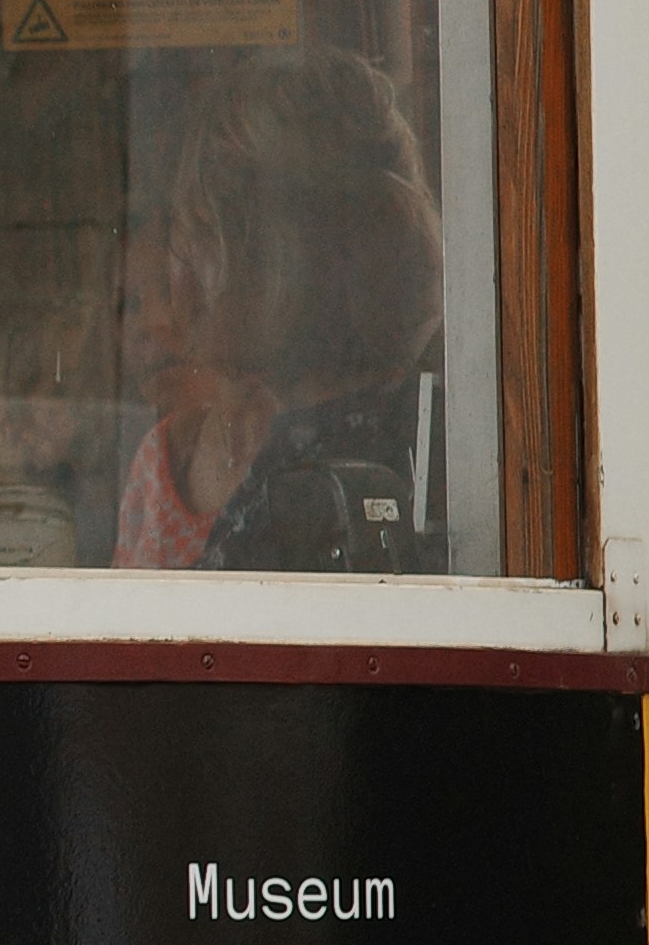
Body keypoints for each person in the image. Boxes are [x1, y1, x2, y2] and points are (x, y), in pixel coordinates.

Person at [114, 48, 448, 576]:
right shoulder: (392, 427)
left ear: (274, 258)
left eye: (196, 228)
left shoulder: (319, 477)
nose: (175, 271)